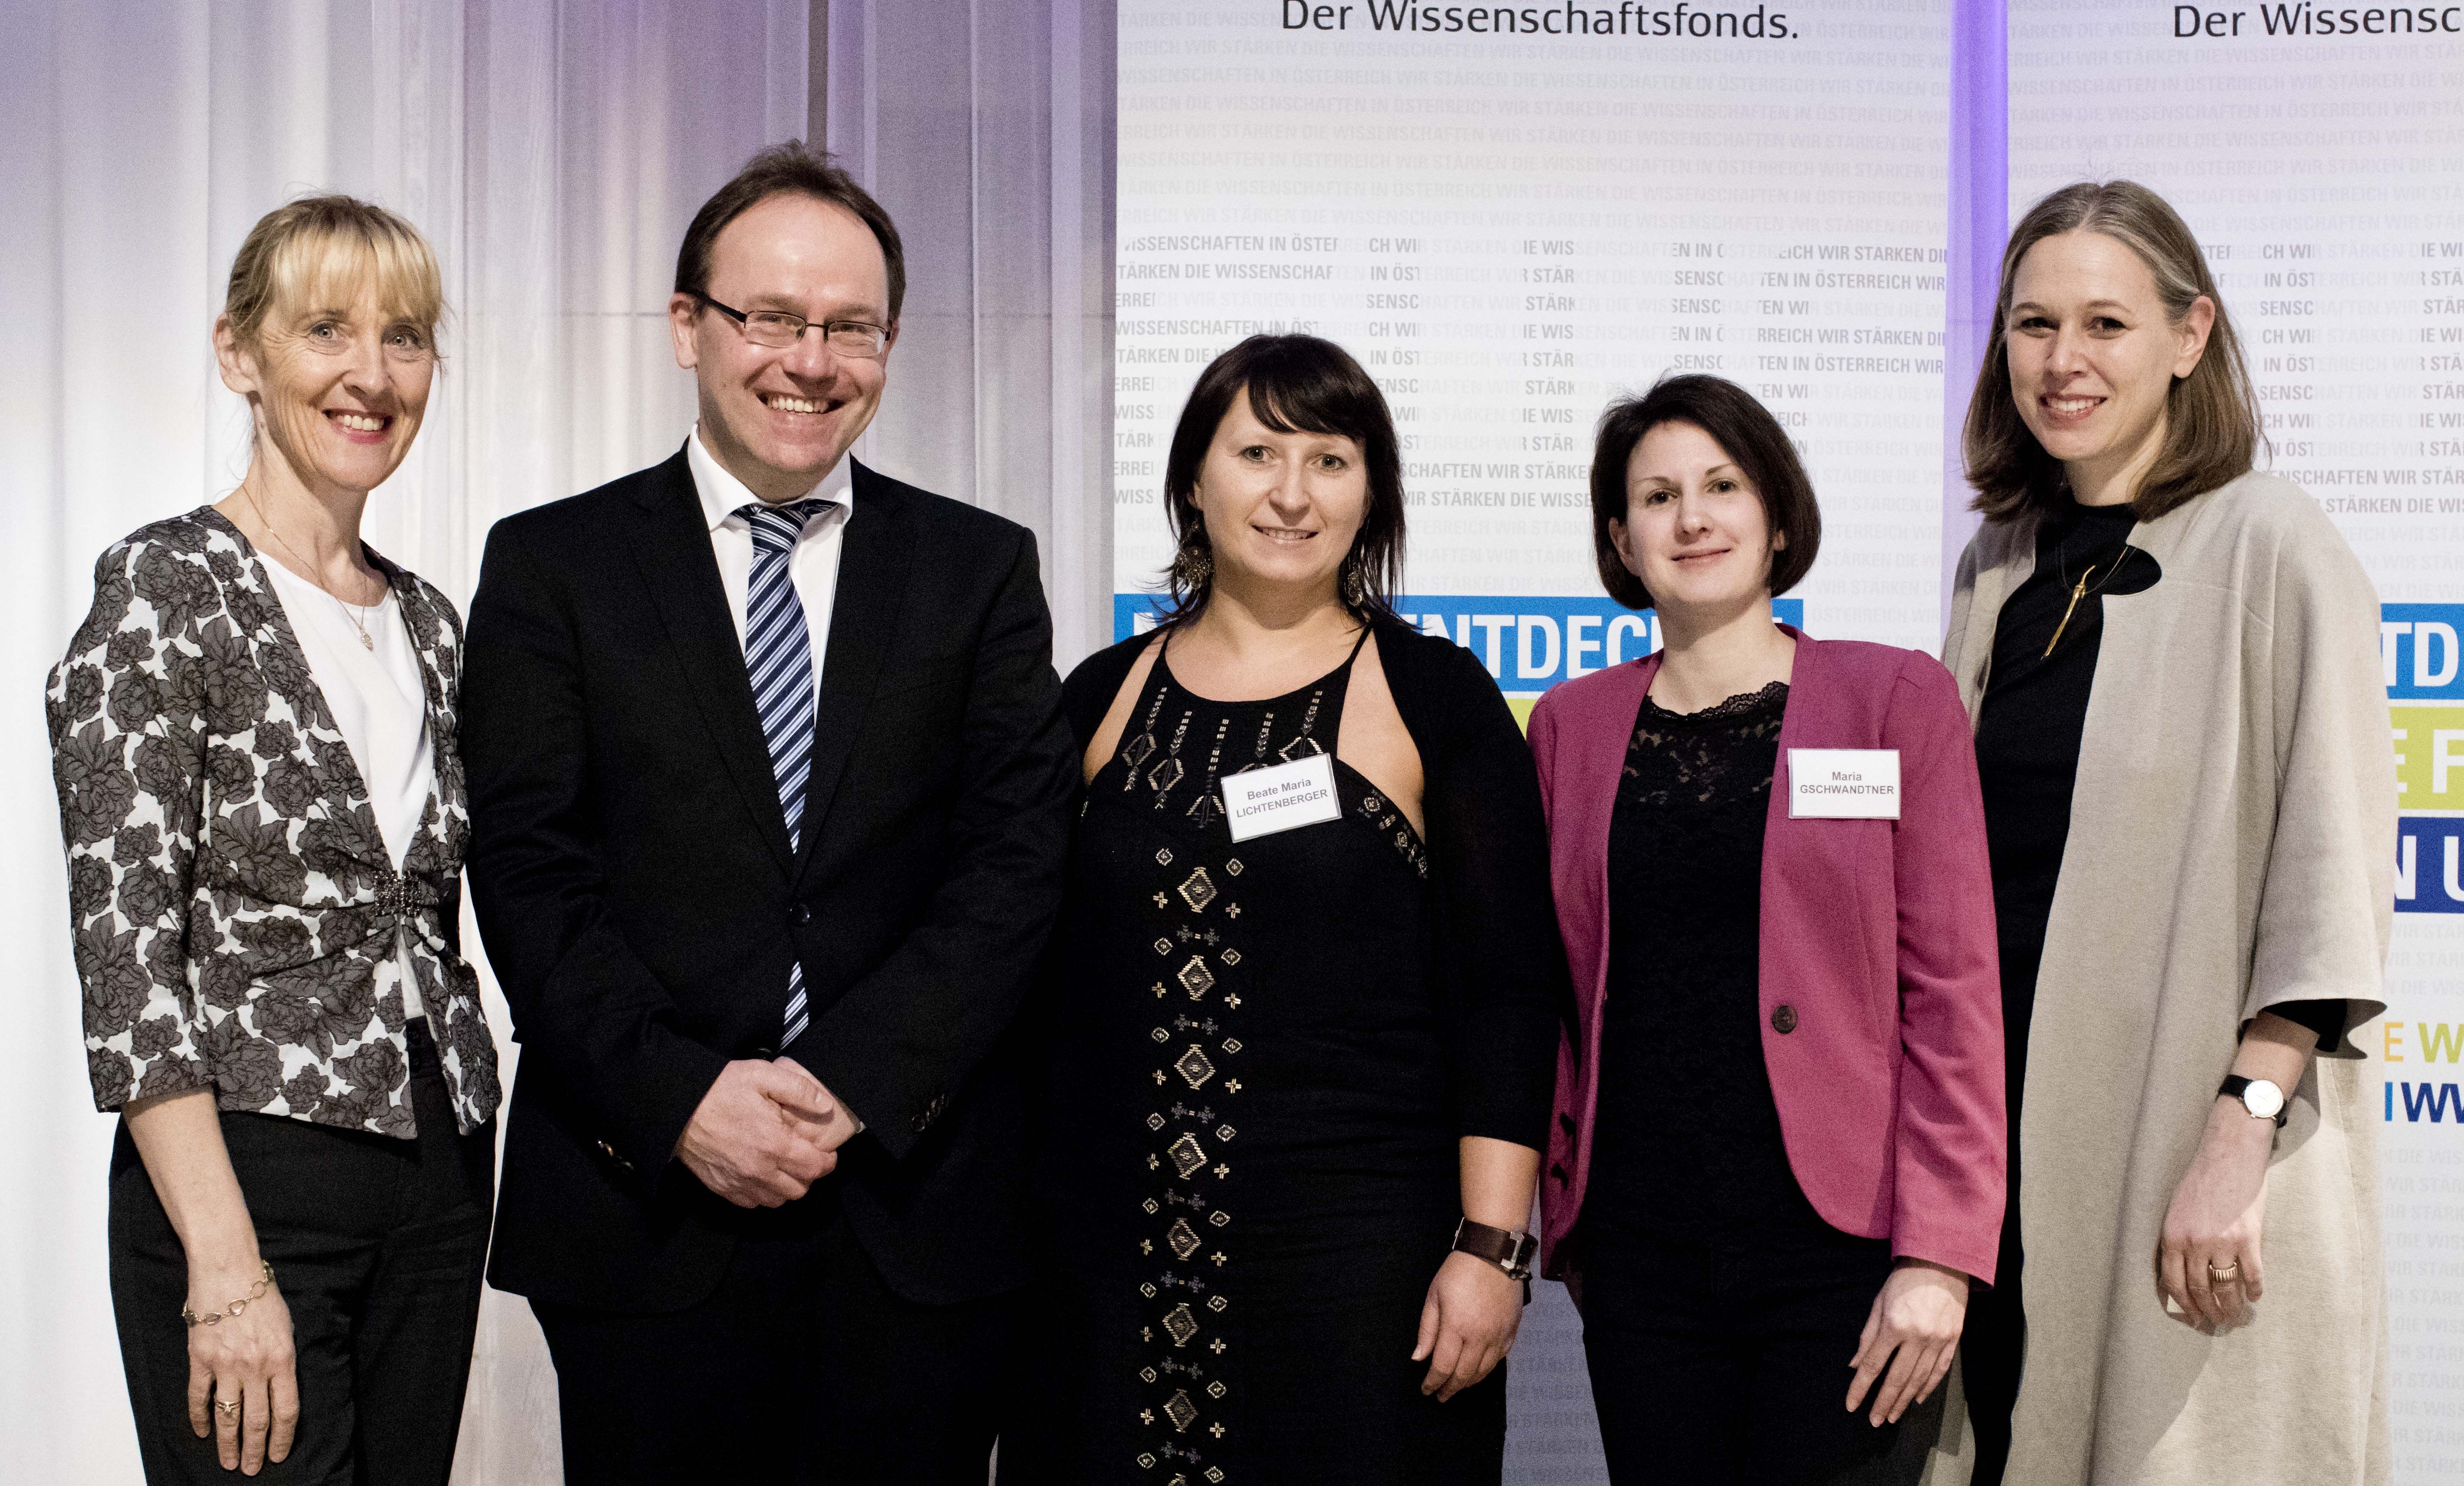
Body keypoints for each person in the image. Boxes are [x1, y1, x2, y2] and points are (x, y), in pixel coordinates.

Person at [460, 141, 1077, 1484]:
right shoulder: (553, 566)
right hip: (645, 1206)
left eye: (850, 327)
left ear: (890, 343)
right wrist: (683, 1098)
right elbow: (527, 871)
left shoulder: (978, 570)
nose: (811, 359)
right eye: (772, 318)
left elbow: (1015, 868)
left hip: (914, 1207)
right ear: (689, 326)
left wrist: (854, 1080)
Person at [1002, 334, 1562, 1485]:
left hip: (1361, 1274)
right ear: (1193, 483)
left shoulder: (1435, 698)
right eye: (1256, 451)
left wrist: (1491, 1249)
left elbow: (1509, 991)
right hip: (1104, 1266)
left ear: (1373, 493)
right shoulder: (1098, 698)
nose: (1292, 493)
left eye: (1331, 458)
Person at [45, 196, 502, 1483]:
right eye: (326, 330)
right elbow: (130, 964)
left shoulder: (430, 621)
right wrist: (226, 1268)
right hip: (246, 1184)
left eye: (405, 337)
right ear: (238, 353)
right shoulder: (165, 589)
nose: (372, 374)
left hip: (439, 1165)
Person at [1944, 181, 2392, 1486]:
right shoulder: (1997, 568)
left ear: (2190, 335)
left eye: (2105, 323)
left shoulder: (2272, 542)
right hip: (2013, 1144)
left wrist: (2237, 1128)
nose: (2062, 362)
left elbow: (2332, 872)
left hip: (2197, 1145)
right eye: (2033, 325)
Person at [1529, 374, 2004, 1485]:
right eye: (1656, 496)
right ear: (1620, 538)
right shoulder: (1569, 728)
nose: (1691, 518)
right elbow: (1553, 989)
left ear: (1777, 516)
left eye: (1721, 486)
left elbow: (1952, 994)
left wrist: (1939, 1252)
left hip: (1839, 1248)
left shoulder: (1893, 699)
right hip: (1642, 1252)